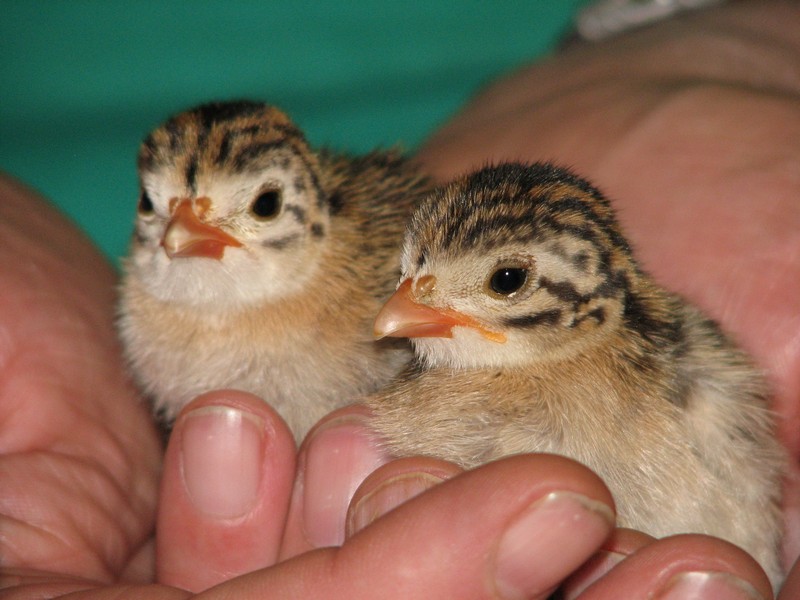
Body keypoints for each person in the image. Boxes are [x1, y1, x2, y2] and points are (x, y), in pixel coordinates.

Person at [1, 1, 797, 598]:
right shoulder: (421, 350)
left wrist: (713, 35)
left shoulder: (680, 378)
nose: (398, 312)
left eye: (509, 282)